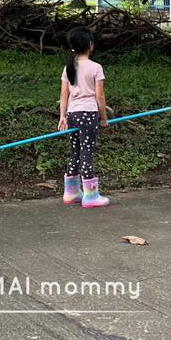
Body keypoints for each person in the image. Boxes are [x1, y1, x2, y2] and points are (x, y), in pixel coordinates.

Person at [58, 27, 110, 208]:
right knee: (86, 152)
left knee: (76, 151)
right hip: (88, 115)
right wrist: (103, 118)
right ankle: (91, 195)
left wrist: (63, 116)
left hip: (72, 115)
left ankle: (71, 192)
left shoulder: (68, 67)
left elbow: (63, 95)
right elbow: (99, 96)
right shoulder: (96, 67)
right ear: (90, 45)